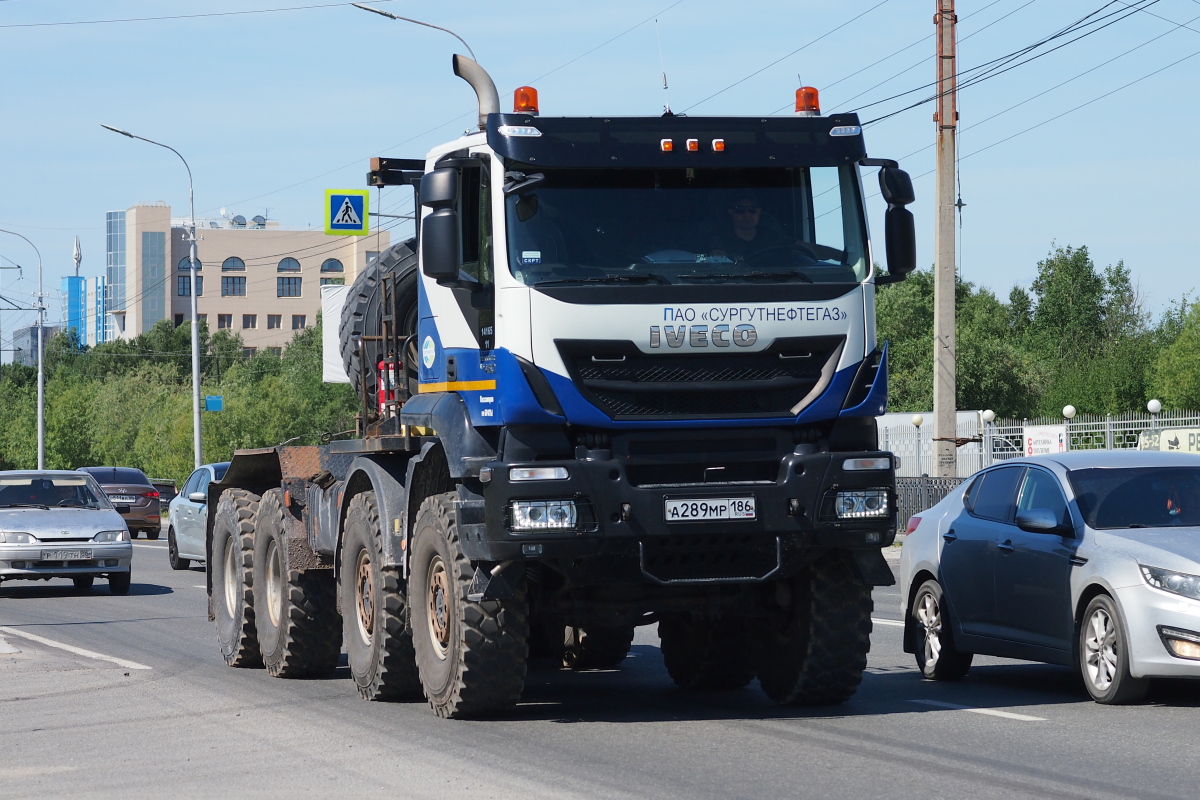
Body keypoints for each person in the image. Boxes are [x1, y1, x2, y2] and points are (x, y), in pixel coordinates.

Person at [708, 192, 795, 261]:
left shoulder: (772, 237)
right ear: (730, 212)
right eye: (740, 209)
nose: (747, 214)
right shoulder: (719, 240)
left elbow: (802, 248)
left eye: (753, 209)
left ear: (760, 212)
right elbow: (715, 258)